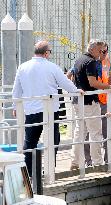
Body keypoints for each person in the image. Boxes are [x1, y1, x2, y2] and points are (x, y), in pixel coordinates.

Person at [12, 40, 84, 176]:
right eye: (49, 51)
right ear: (46, 53)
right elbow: (64, 82)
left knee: (30, 142)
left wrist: (15, 106)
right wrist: (76, 91)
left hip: (32, 109)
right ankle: (49, 169)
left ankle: (28, 173)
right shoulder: (52, 67)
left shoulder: (23, 67)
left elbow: (17, 89)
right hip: (50, 110)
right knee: (53, 140)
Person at [70, 39, 111, 170]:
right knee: (95, 132)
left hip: (78, 101)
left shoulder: (79, 60)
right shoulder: (91, 62)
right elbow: (93, 82)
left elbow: (71, 77)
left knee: (79, 133)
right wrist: (110, 87)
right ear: (93, 49)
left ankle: (75, 162)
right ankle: (98, 163)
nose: (101, 53)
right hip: (90, 101)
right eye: (100, 51)